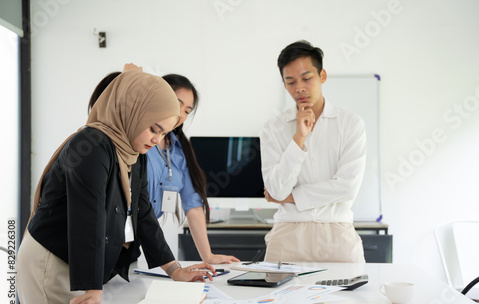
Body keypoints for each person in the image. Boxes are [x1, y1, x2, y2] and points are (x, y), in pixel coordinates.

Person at [17, 70, 216, 304]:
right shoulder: (91, 145)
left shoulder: (134, 150)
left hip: (83, 261)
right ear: (133, 112)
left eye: (164, 132)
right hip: (53, 261)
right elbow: (88, 216)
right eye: (154, 129)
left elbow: (142, 212)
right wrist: (92, 285)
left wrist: (174, 269)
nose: (158, 140)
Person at [89, 64, 239, 264]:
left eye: (188, 110)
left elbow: (193, 205)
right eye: (178, 103)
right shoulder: (135, 139)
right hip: (107, 234)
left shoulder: (180, 151)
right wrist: (130, 78)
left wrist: (208, 256)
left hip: (137, 241)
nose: (181, 115)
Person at [260, 40, 367, 263]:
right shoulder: (274, 128)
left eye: (307, 78)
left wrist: (293, 197)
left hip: (336, 233)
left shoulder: (350, 123)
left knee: (349, 298)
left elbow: (347, 187)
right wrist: (299, 138)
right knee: (275, 298)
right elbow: (277, 190)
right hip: (287, 235)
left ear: (322, 76)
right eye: (290, 82)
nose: (299, 88)